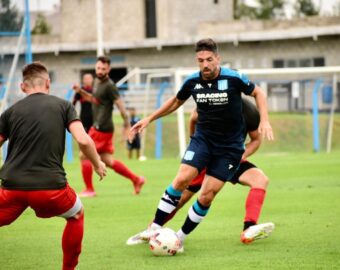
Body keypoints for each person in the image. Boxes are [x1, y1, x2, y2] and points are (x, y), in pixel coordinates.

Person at [126, 38, 274, 251]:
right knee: (182, 179)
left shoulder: (234, 80)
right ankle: (154, 227)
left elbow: (258, 92)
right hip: (203, 141)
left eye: (209, 60)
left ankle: (180, 237)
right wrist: (149, 119)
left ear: (218, 59)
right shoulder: (193, 81)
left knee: (206, 195)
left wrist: (265, 120)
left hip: (229, 150)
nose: (205, 65)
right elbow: (177, 102)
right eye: (200, 60)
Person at [0, 62, 107, 270]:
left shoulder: (10, 112)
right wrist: (97, 163)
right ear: (48, 83)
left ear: (23, 87)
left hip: (12, 188)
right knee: (76, 215)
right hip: (51, 189)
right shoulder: (63, 106)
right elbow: (84, 141)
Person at [159, 97, 273, 244]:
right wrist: (195, 145)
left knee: (260, 180)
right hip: (206, 157)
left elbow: (256, 139)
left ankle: (249, 228)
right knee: (180, 199)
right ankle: (153, 229)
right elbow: (193, 119)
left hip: (230, 158)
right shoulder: (210, 102)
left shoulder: (249, 111)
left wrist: (240, 156)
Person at [73, 56, 145, 197]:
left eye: (103, 69)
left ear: (109, 69)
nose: (100, 71)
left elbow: (121, 106)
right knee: (108, 161)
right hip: (102, 128)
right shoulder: (97, 82)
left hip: (101, 128)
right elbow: (94, 100)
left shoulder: (109, 85)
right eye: (98, 68)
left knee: (84, 155)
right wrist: (80, 91)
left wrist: (127, 126)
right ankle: (137, 179)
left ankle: (89, 189)